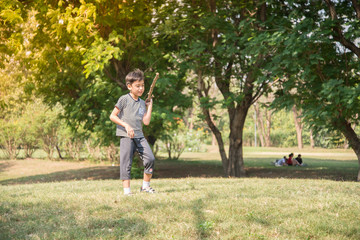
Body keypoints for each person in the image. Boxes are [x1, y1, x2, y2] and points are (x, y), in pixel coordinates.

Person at [109, 69, 155, 195]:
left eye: (143, 85)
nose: (141, 89)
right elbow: (112, 116)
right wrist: (126, 126)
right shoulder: (124, 99)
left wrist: (149, 107)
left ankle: (145, 186)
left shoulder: (141, 103)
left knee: (150, 158)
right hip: (126, 136)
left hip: (139, 136)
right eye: (137, 86)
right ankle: (127, 191)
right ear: (129, 86)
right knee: (126, 163)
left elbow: (146, 121)